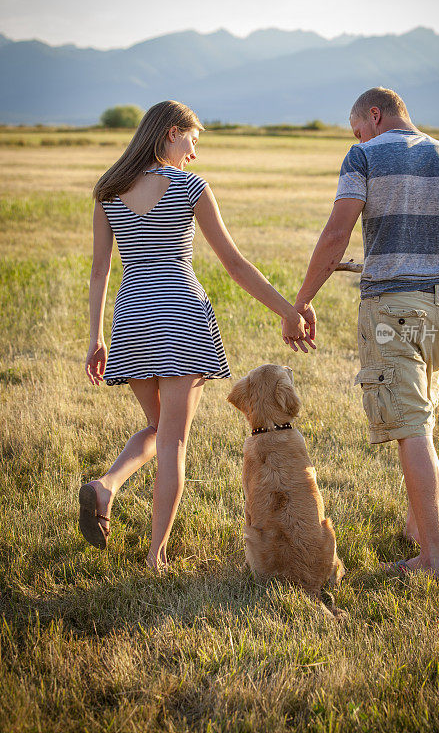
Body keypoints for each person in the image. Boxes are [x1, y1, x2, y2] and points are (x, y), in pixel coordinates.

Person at [82, 100, 314, 571]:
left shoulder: (108, 191)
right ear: (170, 133)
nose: (195, 152)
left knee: (157, 428)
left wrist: (95, 338)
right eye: (193, 140)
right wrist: (288, 312)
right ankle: (156, 557)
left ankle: (107, 485)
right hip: (179, 320)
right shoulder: (189, 187)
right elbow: (234, 263)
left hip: (130, 321)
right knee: (173, 443)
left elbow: (100, 271)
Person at [284, 87, 439, 576]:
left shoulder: (365, 156)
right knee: (423, 421)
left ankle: (433, 560)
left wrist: (302, 301)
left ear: (373, 116)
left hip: (394, 313)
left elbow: (336, 234)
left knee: (411, 429)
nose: (357, 137)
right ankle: (420, 527)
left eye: (358, 128)